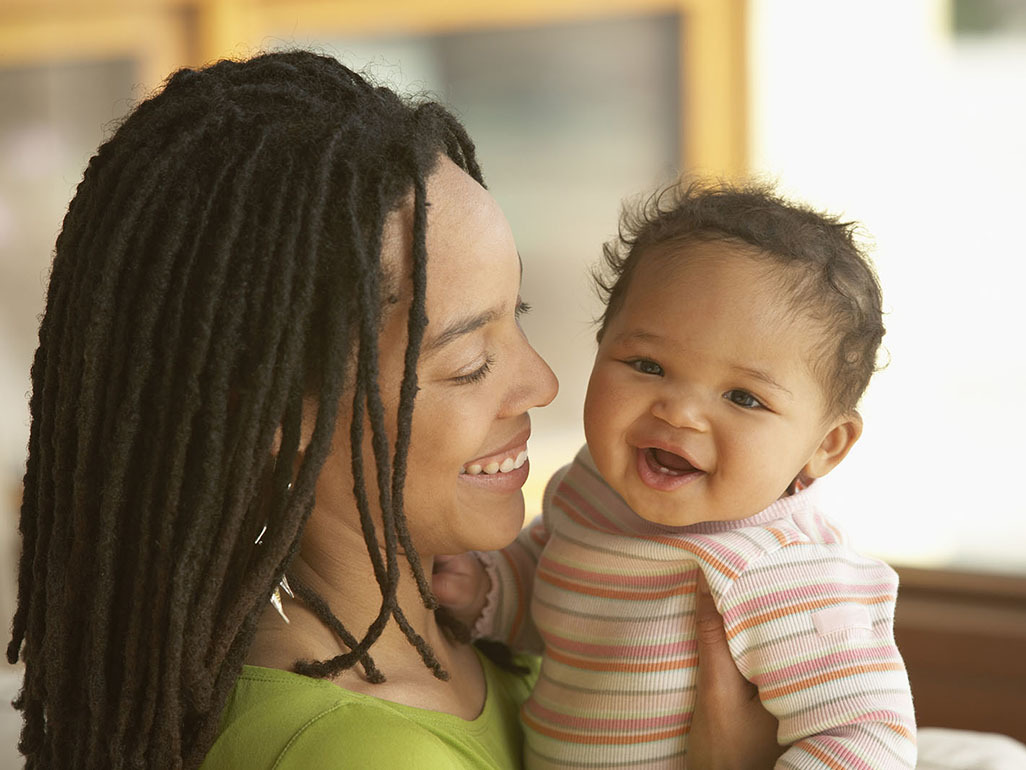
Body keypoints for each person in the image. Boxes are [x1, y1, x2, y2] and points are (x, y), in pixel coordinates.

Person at [6, 51, 784, 769]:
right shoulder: (358, 754)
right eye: (471, 362)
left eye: (521, 312)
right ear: (277, 414)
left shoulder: (517, 630)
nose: (543, 383)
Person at [437, 182, 918, 768]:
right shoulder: (590, 491)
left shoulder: (785, 569)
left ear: (825, 446)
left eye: (743, 397)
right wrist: (489, 589)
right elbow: (557, 589)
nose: (680, 412)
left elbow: (869, 736)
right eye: (648, 365)